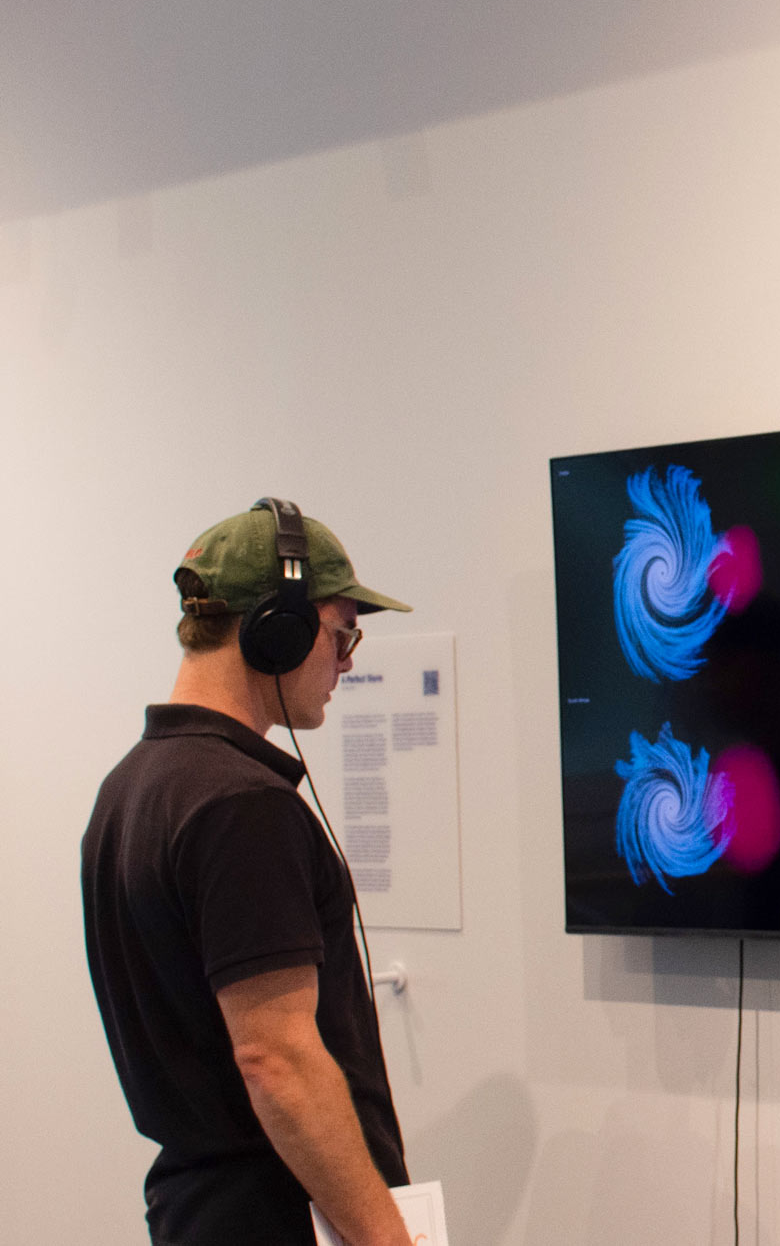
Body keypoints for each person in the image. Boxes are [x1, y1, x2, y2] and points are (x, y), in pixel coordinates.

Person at [82, 499, 416, 1245]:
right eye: (341, 632)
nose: (349, 660)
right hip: (274, 1217)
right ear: (277, 627)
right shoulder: (241, 805)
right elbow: (276, 1058)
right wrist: (388, 1239)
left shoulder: (131, 786)